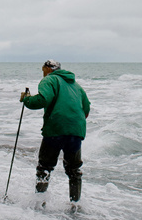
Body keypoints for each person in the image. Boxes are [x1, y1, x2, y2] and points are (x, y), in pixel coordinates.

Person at [20, 60, 90, 205]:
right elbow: (87, 108)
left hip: (55, 129)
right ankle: (75, 205)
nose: (42, 72)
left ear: (48, 69)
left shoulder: (49, 79)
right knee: (74, 170)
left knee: (45, 167)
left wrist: (27, 100)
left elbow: (43, 100)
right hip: (76, 130)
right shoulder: (76, 85)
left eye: (42, 69)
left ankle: (39, 203)